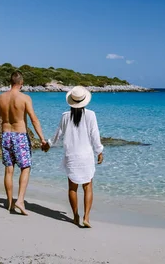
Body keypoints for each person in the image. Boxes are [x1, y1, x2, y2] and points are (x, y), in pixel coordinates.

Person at [0, 71, 48, 215]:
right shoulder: (24, 98)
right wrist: (42, 138)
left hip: (5, 135)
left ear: (10, 82)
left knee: (9, 170)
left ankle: (10, 203)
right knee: (25, 167)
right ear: (21, 83)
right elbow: (34, 119)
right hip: (20, 136)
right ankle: (21, 200)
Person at [49, 86, 104, 228]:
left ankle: (75, 216)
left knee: (72, 188)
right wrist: (99, 151)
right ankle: (86, 217)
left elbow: (58, 134)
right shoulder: (91, 115)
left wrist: (48, 144)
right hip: (86, 156)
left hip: (71, 155)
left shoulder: (65, 116)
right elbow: (94, 135)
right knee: (88, 187)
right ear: (85, 100)